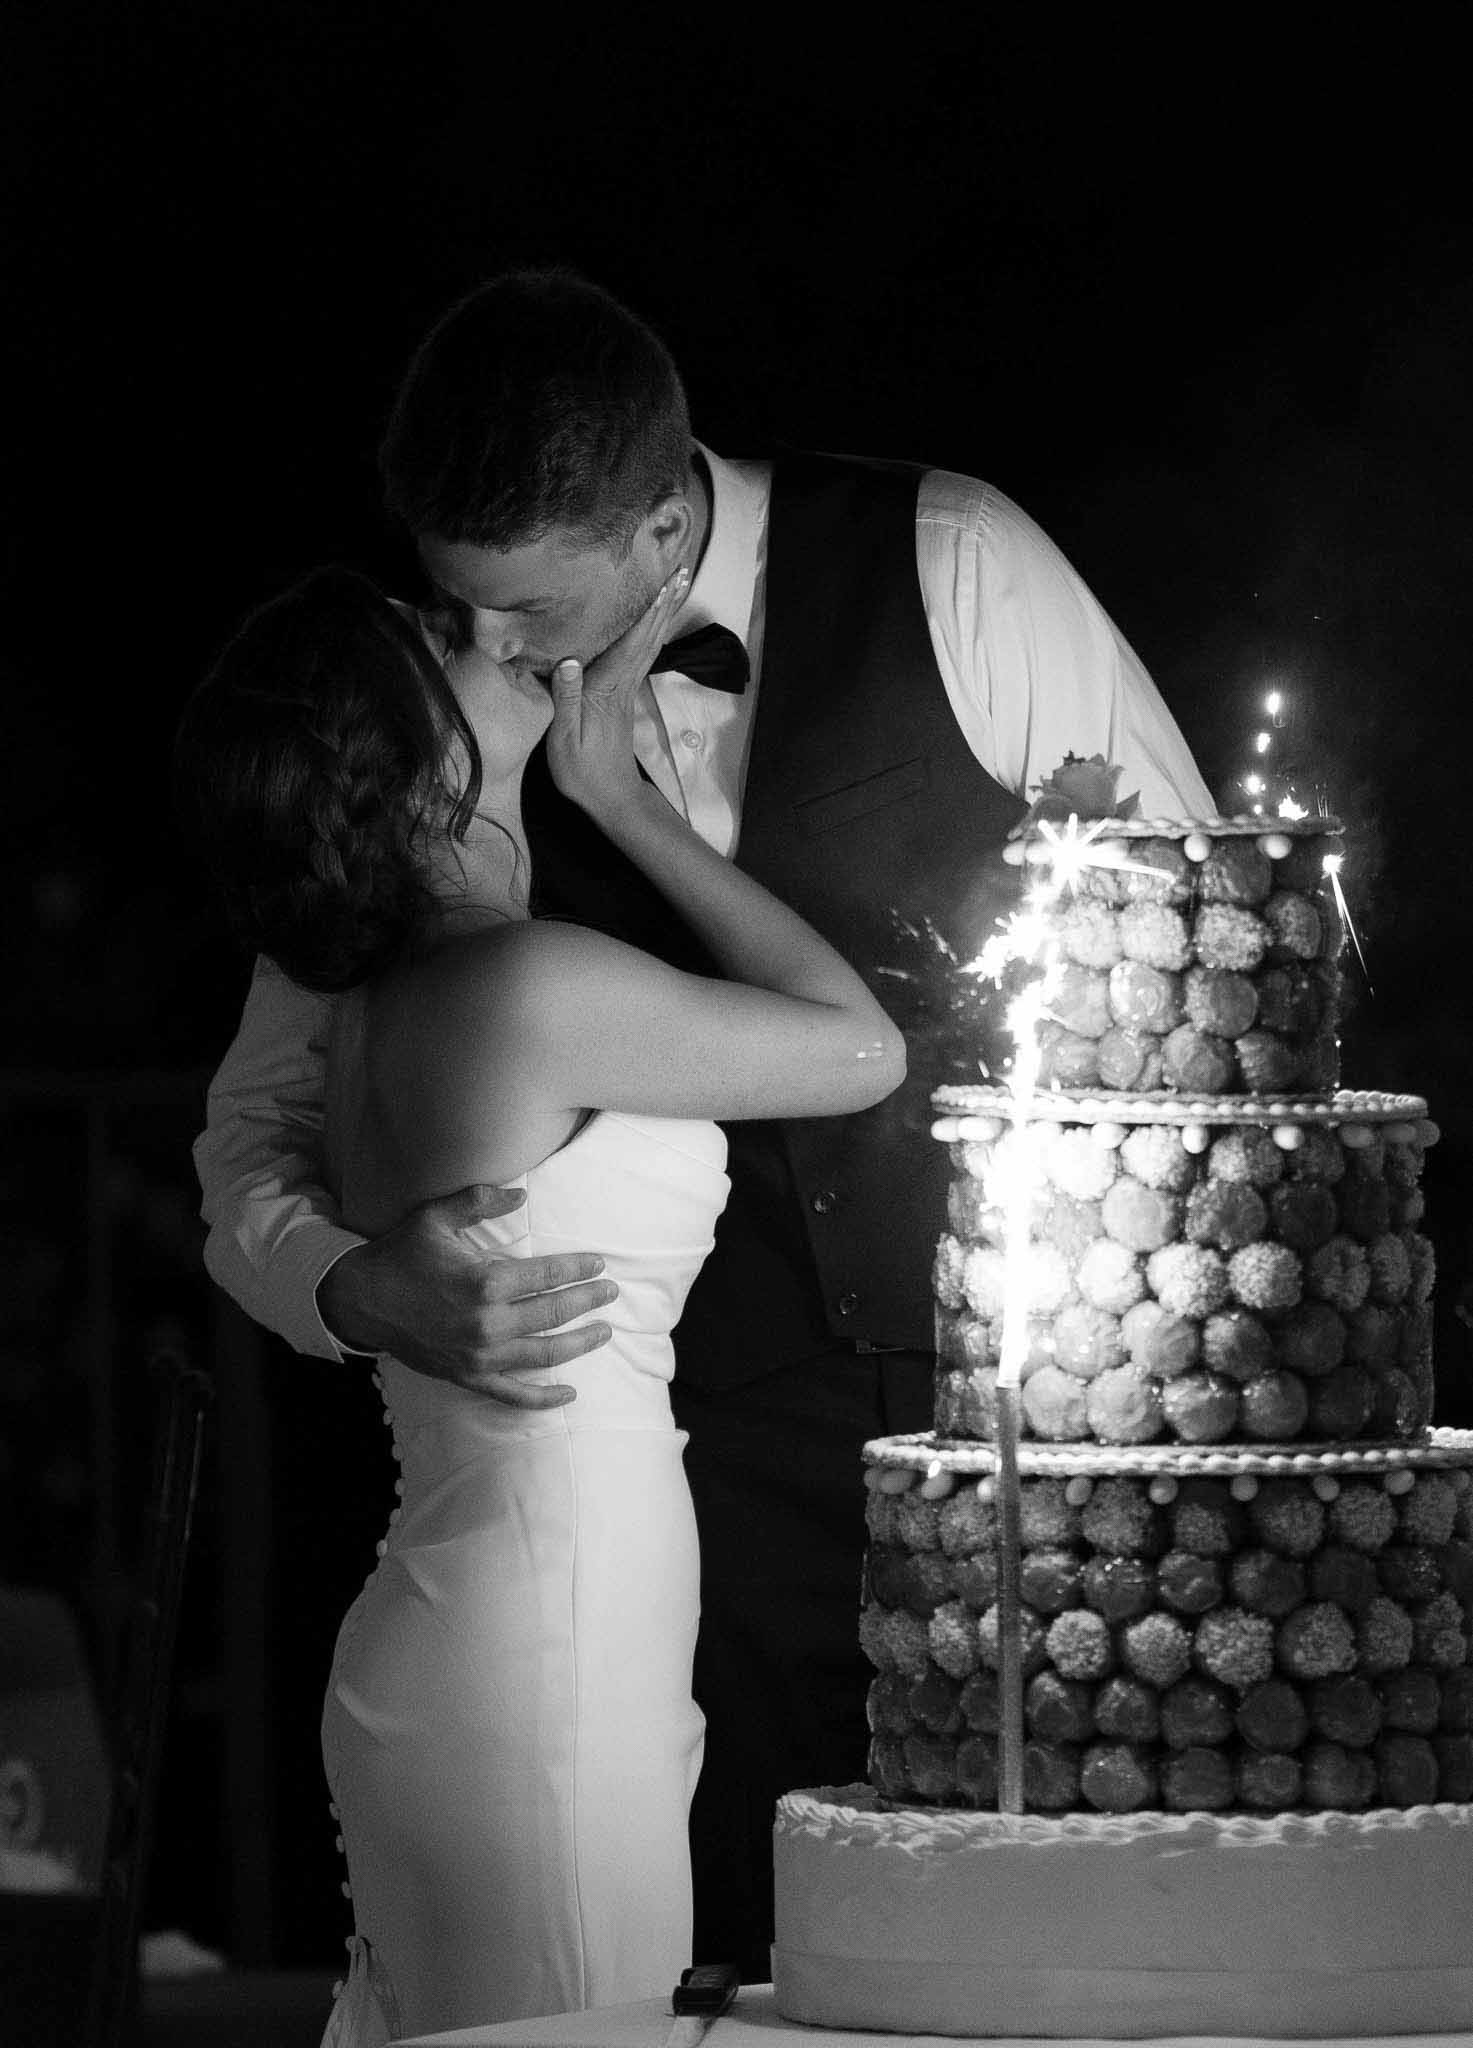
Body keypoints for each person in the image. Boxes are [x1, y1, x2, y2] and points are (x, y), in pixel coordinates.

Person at [194, 268, 1215, 1981]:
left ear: (664, 523)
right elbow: (252, 1132)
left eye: (521, 610)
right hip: (689, 1486)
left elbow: (1190, 938)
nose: (491, 649)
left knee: (1061, 1949)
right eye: (457, 607)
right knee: (717, 1966)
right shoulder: (410, 748)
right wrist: (350, 1289)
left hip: (1028, 1434)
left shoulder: (953, 566)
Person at [174, 561, 905, 2040]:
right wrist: (629, 804)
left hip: (485, 1612)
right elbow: (857, 1052)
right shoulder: (526, 986)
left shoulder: (377, 1002)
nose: (490, 637)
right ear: (396, 759)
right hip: (544, 1639)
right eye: (442, 639)